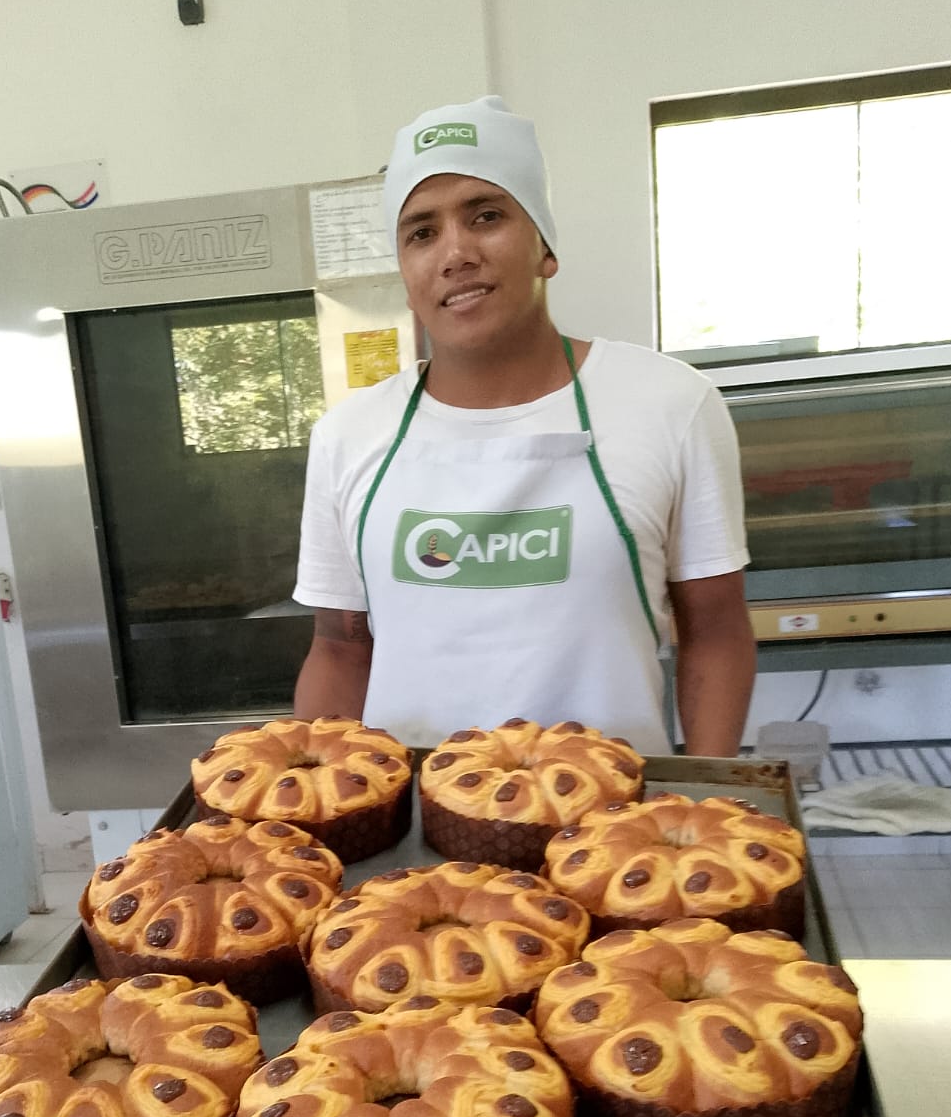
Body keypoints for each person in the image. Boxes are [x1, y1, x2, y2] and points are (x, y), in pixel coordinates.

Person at [292, 94, 755, 755]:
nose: (456, 253)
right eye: (422, 233)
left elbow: (714, 631)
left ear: (545, 247)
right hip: (413, 813)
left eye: (486, 216)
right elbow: (340, 649)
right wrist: (316, 795)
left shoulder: (670, 404)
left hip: (610, 812)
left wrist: (705, 794)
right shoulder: (349, 436)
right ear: (406, 272)